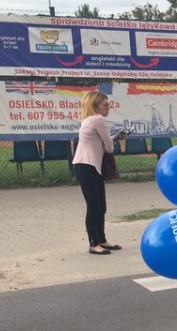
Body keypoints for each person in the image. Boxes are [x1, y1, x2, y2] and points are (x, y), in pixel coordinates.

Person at [72, 90, 125, 255]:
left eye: (108, 104)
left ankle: (101, 239)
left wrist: (112, 139)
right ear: (95, 106)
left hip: (88, 166)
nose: (108, 108)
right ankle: (94, 243)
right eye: (105, 105)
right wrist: (113, 141)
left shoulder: (88, 120)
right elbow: (108, 147)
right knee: (94, 206)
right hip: (88, 167)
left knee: (100, 205)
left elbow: (101, 143)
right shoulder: (98, 119)